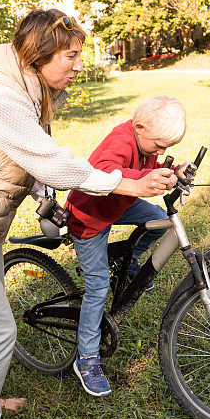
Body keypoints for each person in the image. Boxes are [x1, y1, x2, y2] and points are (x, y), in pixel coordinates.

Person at [0, 9, 175, 419]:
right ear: (40, 53)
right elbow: (50, 159)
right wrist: (128, 182)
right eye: (71, 56)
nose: (78, 65)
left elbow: (25, 160)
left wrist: (44, 199)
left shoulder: (29, 90)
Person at [65, 95, 187, 397]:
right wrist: (146, 176)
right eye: (159, 146)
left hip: (118, 207)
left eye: (167, 148)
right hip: (89, 217)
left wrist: (171, 169)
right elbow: (105, 172)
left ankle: (123, 259)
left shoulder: (143, 138)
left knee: (158, 219)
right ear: (140, 127)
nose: (161, 152)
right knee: (98, 287)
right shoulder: (120, 140)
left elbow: (149, 165)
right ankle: (87, 358)